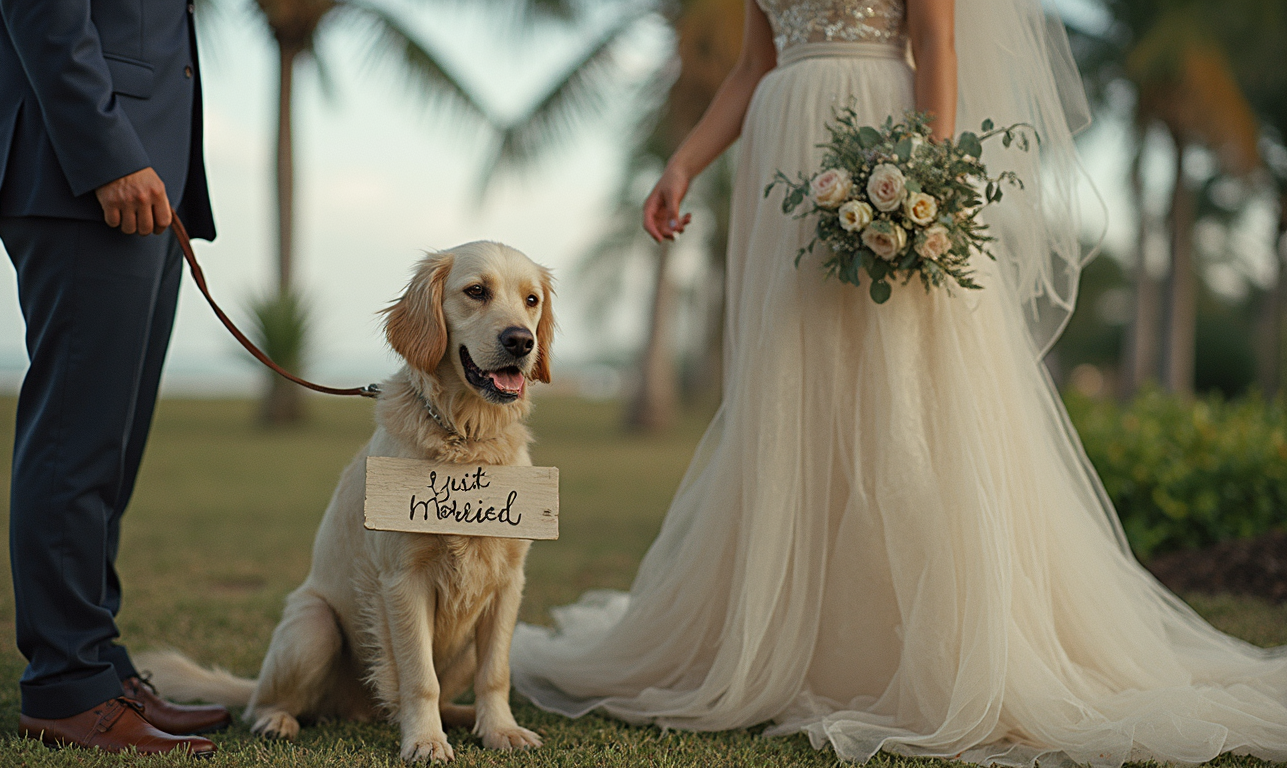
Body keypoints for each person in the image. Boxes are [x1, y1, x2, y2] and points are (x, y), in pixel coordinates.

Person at [510, 1, 1287, 765]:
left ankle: (901, 644)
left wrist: (929, 180)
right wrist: (683, 163)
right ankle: (789, 630)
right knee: (790, 387)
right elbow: (755, 65)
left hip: (880, 146)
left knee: (899, 391)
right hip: (781, 158)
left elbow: (937, 43)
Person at [0, 0, 229, 756]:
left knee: (109, 453)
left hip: (147, 173)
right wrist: (108, 153)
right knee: (76, 445)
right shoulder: (102, 161)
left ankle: (96, 665)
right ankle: (66, 688)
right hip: (87, 168)